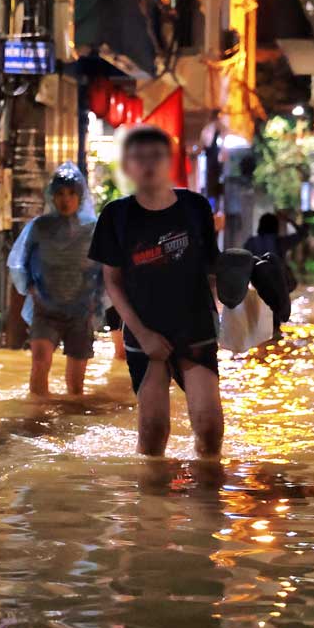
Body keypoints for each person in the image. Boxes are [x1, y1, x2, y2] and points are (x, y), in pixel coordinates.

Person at [89, 127, 224, 458]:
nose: (148, 165)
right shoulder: (116, 216)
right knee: (153, 431)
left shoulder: (194, 207)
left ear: (170, 161)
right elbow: (113, 282)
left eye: (156, 156)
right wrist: (142, 334)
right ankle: (151, 506)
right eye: (140, 157)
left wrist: (232, 308)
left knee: (208, 426)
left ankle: (207, 498)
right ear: (128, 165)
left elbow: (211, 269)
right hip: (143, 332)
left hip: (195, 329)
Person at [7, 162, 102, 396]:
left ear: (80, 196)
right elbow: (19, 263)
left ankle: (69, 427)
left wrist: (97, 303)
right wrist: (31, 290)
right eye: (59, 193)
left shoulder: (93, 229)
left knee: (76, 384)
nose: (65, 199)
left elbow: (107, 270)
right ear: (52, 196)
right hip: (45, 310)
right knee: (40, 363)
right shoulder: (39, 227)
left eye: (71, 193)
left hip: (81, 313)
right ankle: (37, 421)